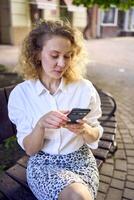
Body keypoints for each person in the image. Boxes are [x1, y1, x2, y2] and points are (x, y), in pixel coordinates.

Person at [8, 20, 103, 200]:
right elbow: (30, 150)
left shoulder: (84, 88)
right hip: (44, 164)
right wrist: (40, 125)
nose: (61, 63)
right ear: (37, 54)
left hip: (81, 161)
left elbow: (95, 133)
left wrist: (85, 130)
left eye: (67, 56)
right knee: (78, 197)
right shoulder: (21, 95)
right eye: (54, 55)